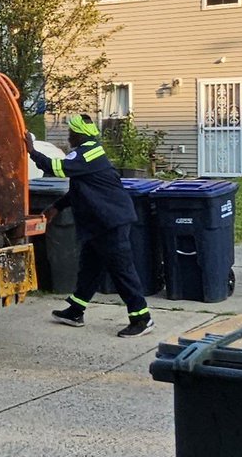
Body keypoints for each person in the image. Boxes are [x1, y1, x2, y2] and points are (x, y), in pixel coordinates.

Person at [27, 113, 154, 337]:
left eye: (70, 133)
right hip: (99, 223)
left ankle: (141, 318)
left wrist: (32, 151)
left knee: (122, 270)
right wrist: (57, 206)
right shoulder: (87, 153)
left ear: (78, 134)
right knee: (90, 268)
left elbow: (58, 168)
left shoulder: (88, 153)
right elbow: (81, 188)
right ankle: (76, 311)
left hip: (110, 222)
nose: (68, 137)